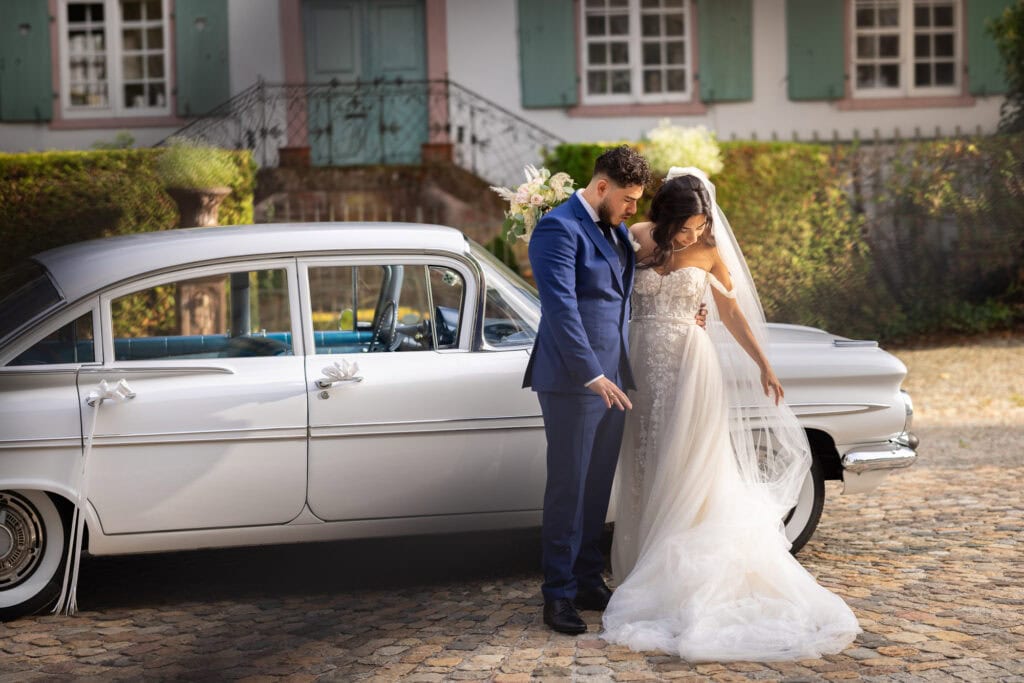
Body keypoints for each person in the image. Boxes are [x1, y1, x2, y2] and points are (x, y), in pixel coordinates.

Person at [600, 167, 861, 660]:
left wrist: (764, 364)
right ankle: (637, 565)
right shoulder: (635, 237)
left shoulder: (708, 252)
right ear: (666, 216)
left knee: (684, 462)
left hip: (689, 364)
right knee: (641, 457)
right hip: (638, 360)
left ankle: (674, 573)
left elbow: (732, 313)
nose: (695, 234)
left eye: (701, 226)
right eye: (688, 226)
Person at [526, 147, 707, 635]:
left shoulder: (615, 230)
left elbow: (644, 275)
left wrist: (694, 306)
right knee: (568, 486)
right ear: (601, 187)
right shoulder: (557, 229)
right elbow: (560, 308)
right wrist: (591, 373)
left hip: (615, 375)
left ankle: (587, 578)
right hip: (573, 378)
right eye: (628, 200)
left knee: (596, 486)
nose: (633, 210)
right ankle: (557, 594)